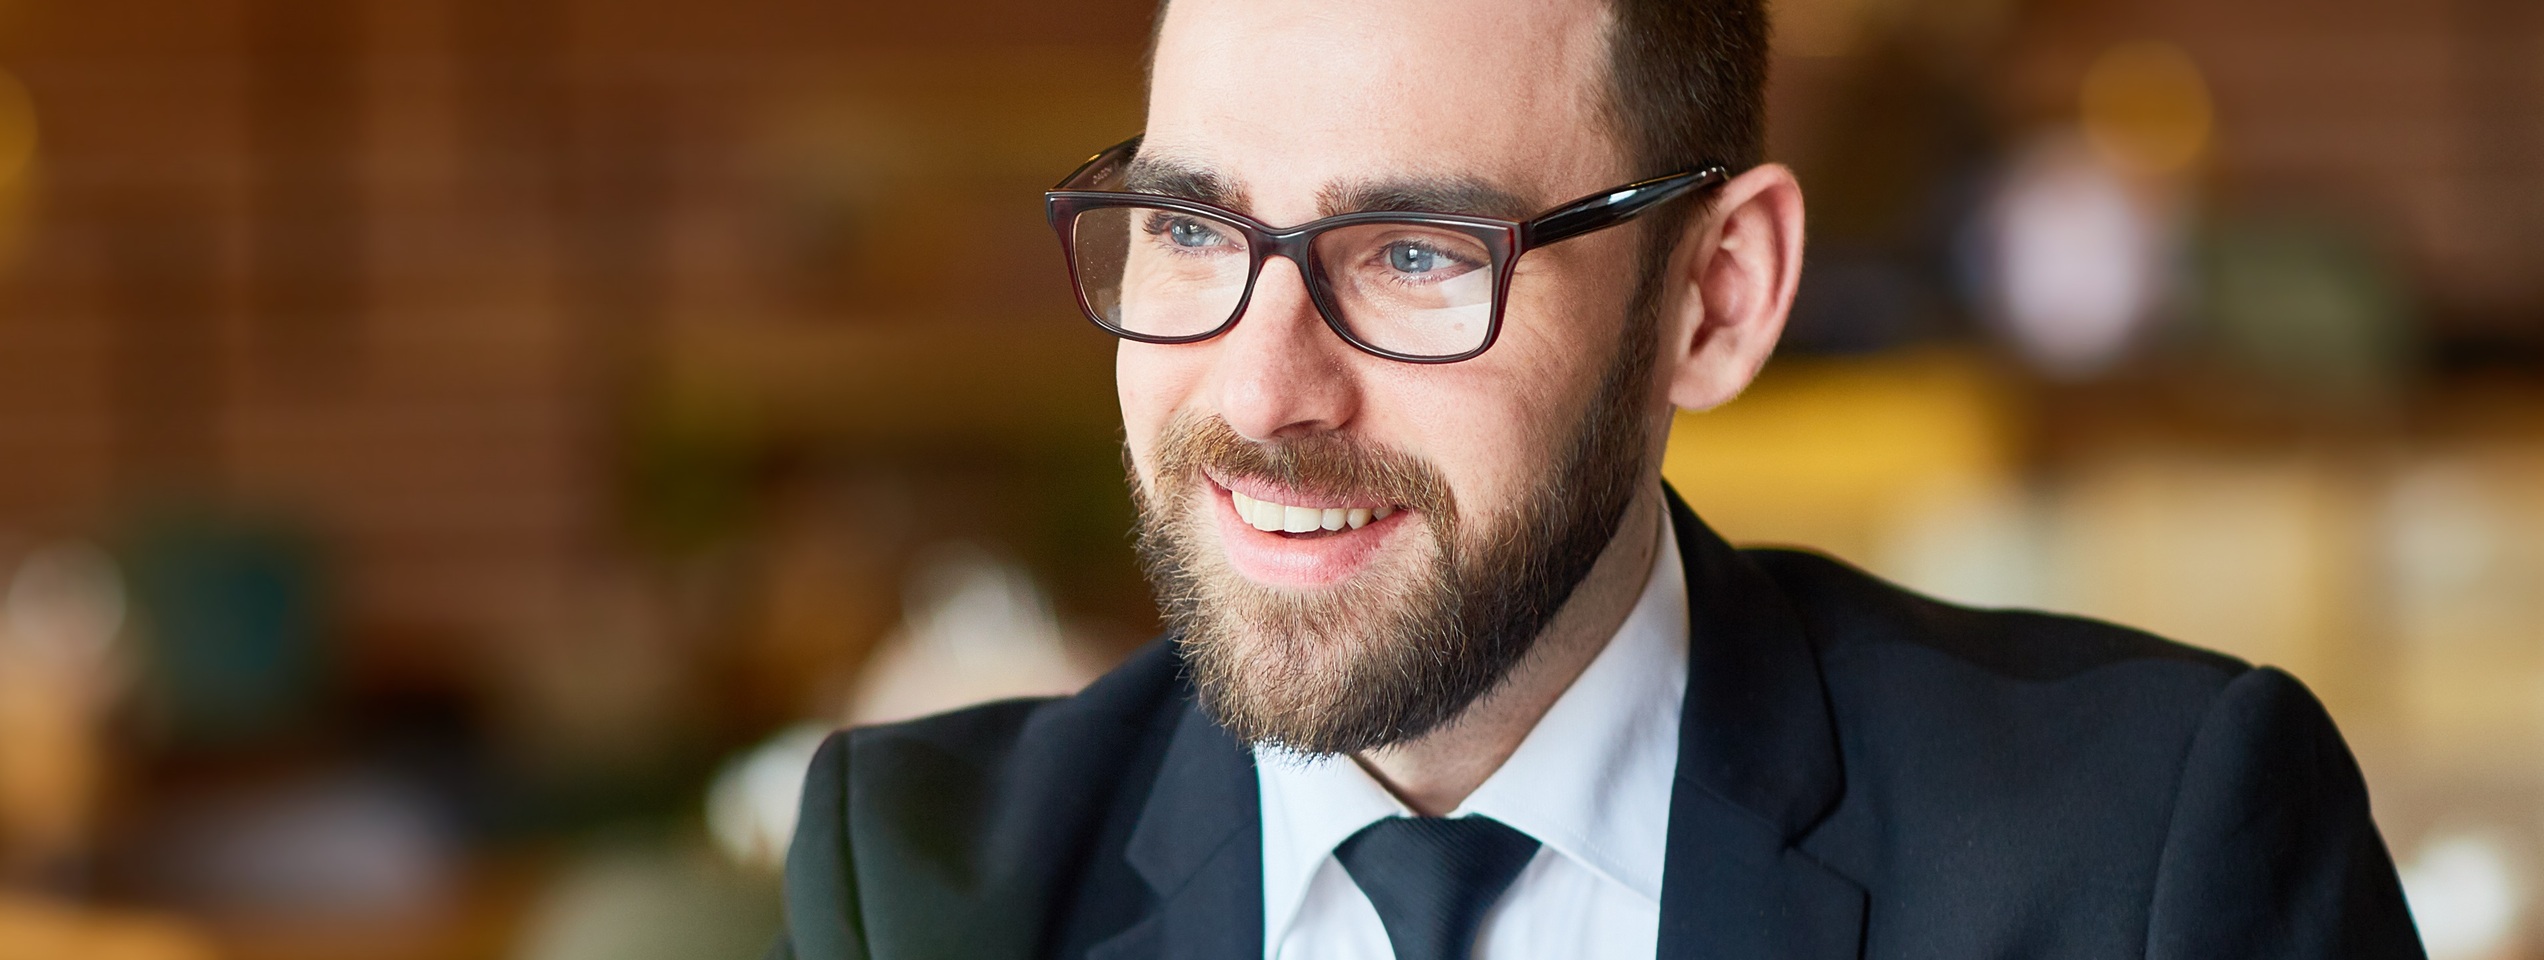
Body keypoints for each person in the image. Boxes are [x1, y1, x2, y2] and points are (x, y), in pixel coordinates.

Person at [771, 0, 2423, 957]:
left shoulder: (2145, 854)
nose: (1264, 390)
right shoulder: (919, 881)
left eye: (1415, 252)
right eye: (1194, 228)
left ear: (1717, 298)